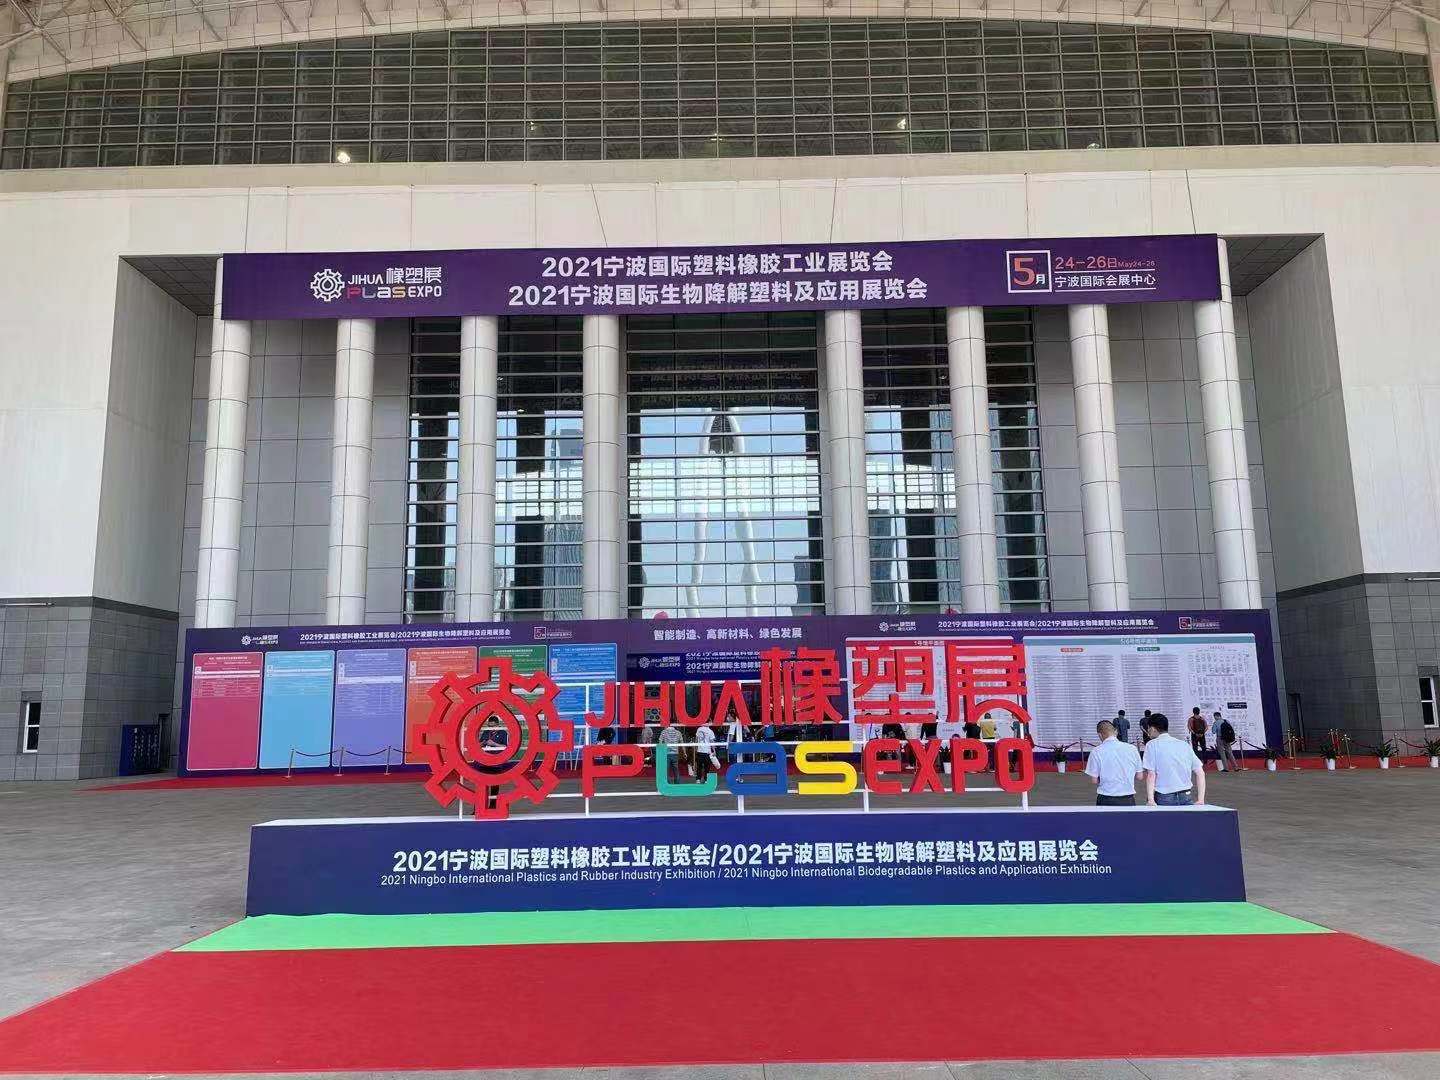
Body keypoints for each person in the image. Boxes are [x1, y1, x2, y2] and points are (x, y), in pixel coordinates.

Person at [1141, 713, 1207, 806]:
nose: (1148, 731)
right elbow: (1200, 772)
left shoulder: (1151, 745)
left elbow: (1151, 775)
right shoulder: (1184, 745)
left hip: (1164, 797)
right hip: (1186, 796)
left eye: (1148, 728)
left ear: (1152, 728)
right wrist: (1201, 799)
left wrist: (1151, 800)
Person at [1085, 720, 1144, 806]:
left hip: (1105, 798)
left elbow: (1094, 780)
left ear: (1099, 735)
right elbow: (1139, 776)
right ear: (1115, 731)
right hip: (1128, 799)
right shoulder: (1132, 749)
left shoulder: (1096, 751)